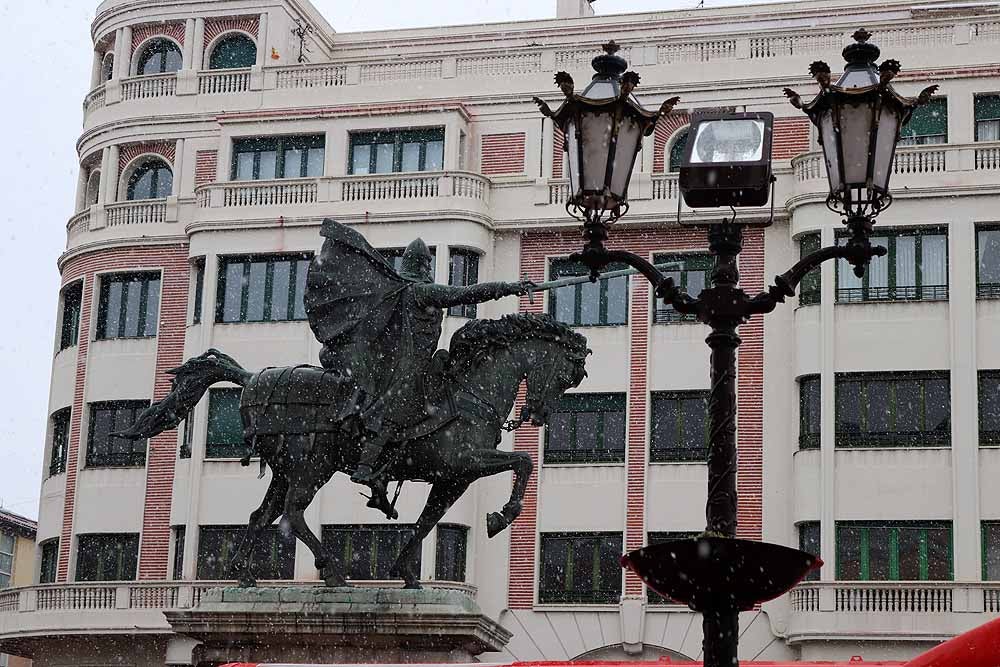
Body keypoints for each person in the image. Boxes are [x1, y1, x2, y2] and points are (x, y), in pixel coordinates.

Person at [305, 220, 533, 517]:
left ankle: (385, 471)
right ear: (423, 265)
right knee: (401, 401)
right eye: (427, 263)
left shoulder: (402, 290)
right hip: (405, 368)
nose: (428, 269)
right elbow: (464, 294)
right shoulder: (418, 292)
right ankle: (367, 466)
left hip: (416, 362)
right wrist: (508, 287)